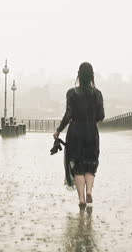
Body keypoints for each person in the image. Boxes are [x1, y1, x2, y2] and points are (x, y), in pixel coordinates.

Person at [53, 62, 105, 208]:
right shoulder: (98, 94)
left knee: (77, 165)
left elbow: (68, 114)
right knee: (90, 164)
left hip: (75, 132)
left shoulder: (71, 93)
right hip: (91, 133)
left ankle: (81, 198)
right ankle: (89, 191)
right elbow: (101, 116)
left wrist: (58, 130)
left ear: (79, 76)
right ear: (92, 76)